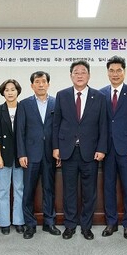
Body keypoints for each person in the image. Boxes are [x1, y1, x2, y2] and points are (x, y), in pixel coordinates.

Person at [53, 60, 107, 240]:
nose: (80, 75)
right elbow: (56, 123)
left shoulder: (99, 97)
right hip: (67, 151)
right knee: (69, 191)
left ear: (89, 75)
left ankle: (86, 226)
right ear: (71, 76)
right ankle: (69, 225)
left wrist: (101, 148)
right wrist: (56, 147)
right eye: (76, 72)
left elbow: (103, 125)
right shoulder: (62, 95)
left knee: (89, 192)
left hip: (90, 152)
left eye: (83, 72)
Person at [99, 56, 127, 239]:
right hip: (107, 150)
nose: (115, 74)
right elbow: (100, 124)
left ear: (124, 72)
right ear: (107, 73)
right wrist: (100, 148)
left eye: (118, 70)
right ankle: (111, 222)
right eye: (112, 70)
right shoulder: (100, 94)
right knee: (108, 187)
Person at [16, 71, 60, 239]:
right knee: (28, 191)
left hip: (50, 154)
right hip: (30, 154)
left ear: (48, 84)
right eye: (37, 82)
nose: (41, 84)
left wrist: (58, 150)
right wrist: (21, 153)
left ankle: (49, 222)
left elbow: (59, 129)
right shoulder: (24, 104)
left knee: (49, 189)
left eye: (43, 81)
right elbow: (20, 131)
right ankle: (30, 225)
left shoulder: (56, 103)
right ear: (32, 85)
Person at [0, 79, 24, 235]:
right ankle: (4, 222)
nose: (10, 92)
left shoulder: (24, 108)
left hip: (20, 156)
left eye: (13, 89)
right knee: (3, 190)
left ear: (18, 91)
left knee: (19, 189)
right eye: (7, 90)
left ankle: (19, 221)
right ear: (3, 93)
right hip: (3, 156)